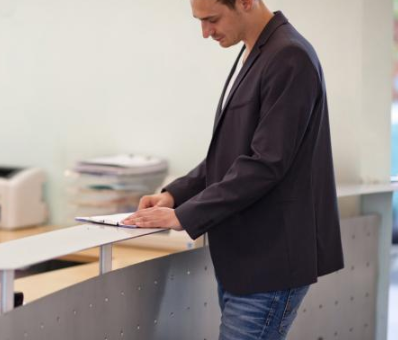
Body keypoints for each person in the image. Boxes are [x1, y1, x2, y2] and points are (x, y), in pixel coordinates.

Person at [123, 0, 344, 339]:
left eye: (211, 19)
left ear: (245, 2)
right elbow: (231, 154)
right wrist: (173, 194)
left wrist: (186, 215)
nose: (205, 32)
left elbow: (265, 163)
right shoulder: (257, 53)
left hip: (270, 262)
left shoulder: (289, 56)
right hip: (247, 261)